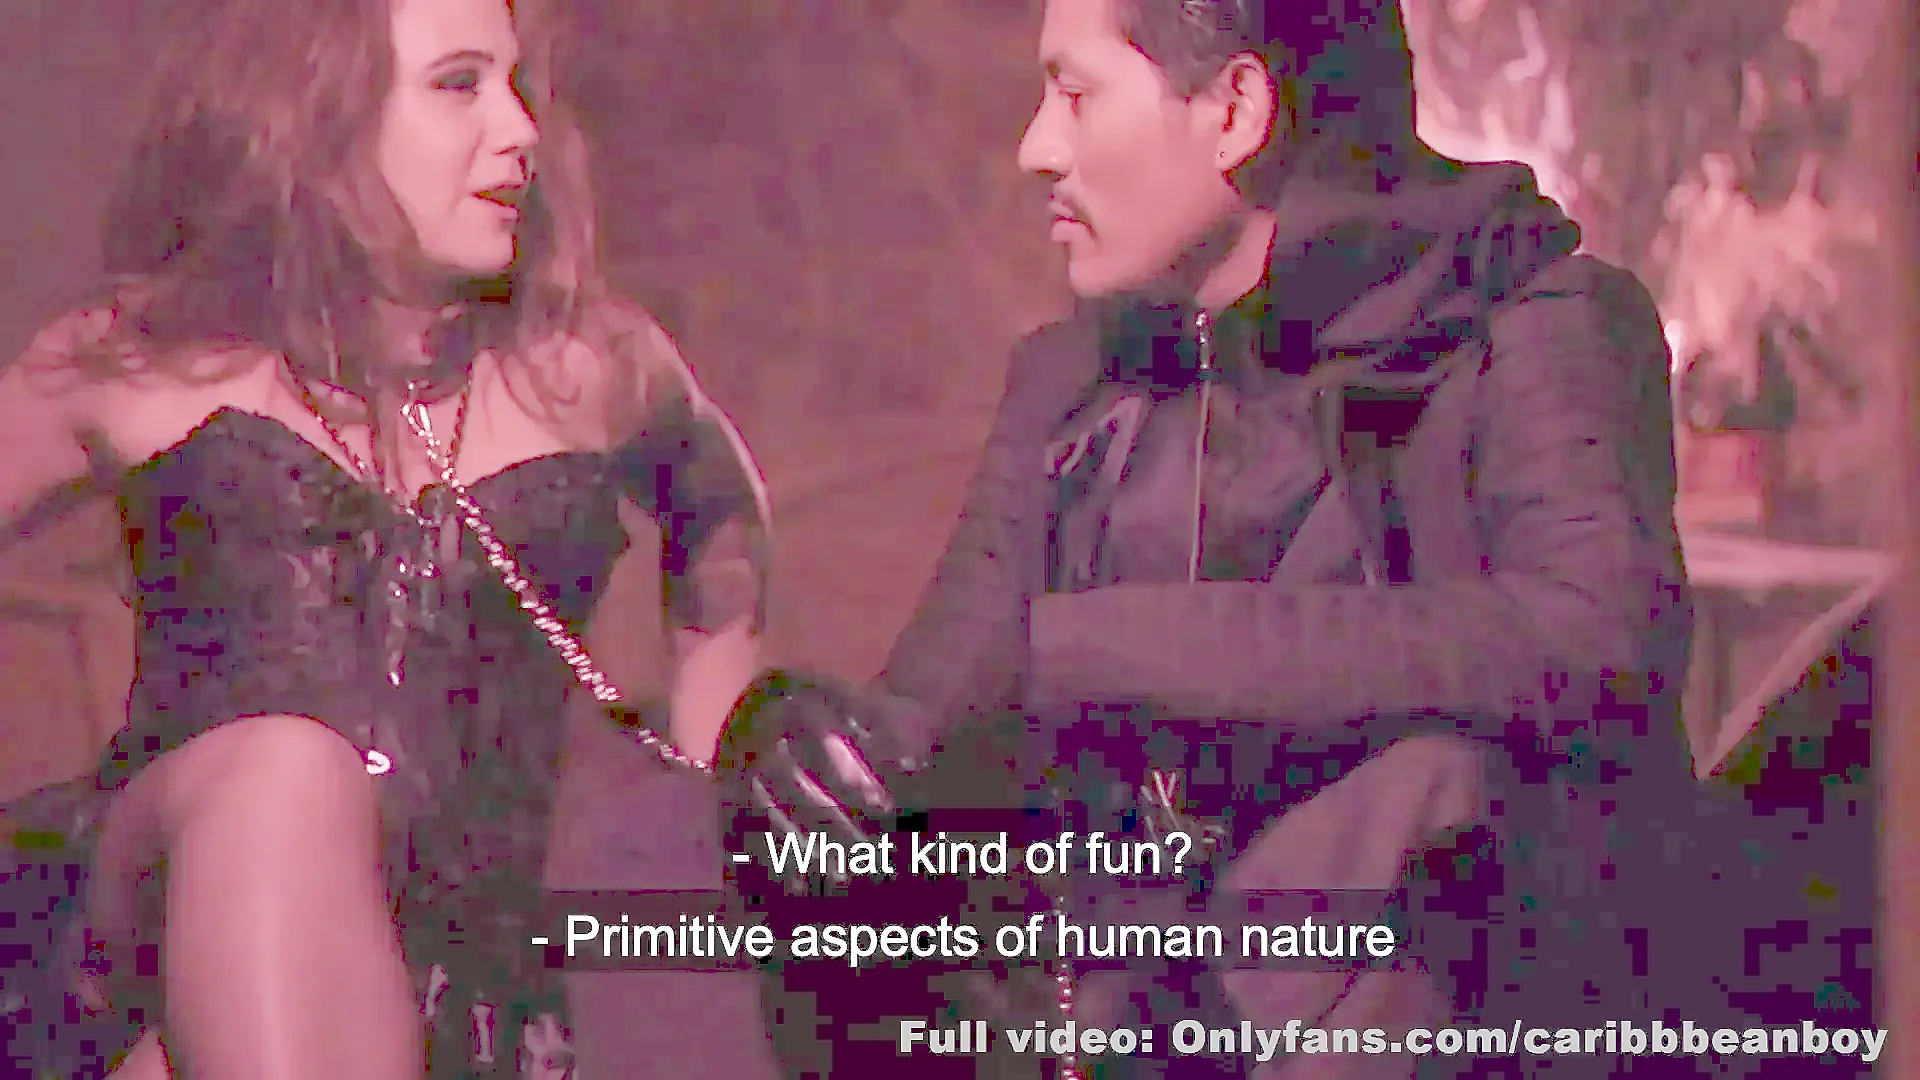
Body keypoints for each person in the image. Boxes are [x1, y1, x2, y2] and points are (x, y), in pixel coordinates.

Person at [726, 1, 1698, 1077]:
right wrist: (799, 755)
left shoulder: (1530, 320)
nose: (1037, 147)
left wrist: (1108, 647)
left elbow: (1593, 635)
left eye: (1076, 94)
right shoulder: (1070, 384)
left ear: (1236, 110)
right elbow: (930, 717)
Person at [0, 0, 772, 1077]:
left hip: (469, 974)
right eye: (459, 84)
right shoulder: (145, 354)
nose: (520, 129)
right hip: (146, 927)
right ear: (315, 117)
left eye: (518, 86)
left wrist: (710, 784)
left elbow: (724, 532)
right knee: (284, 774)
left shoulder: (589, 369)